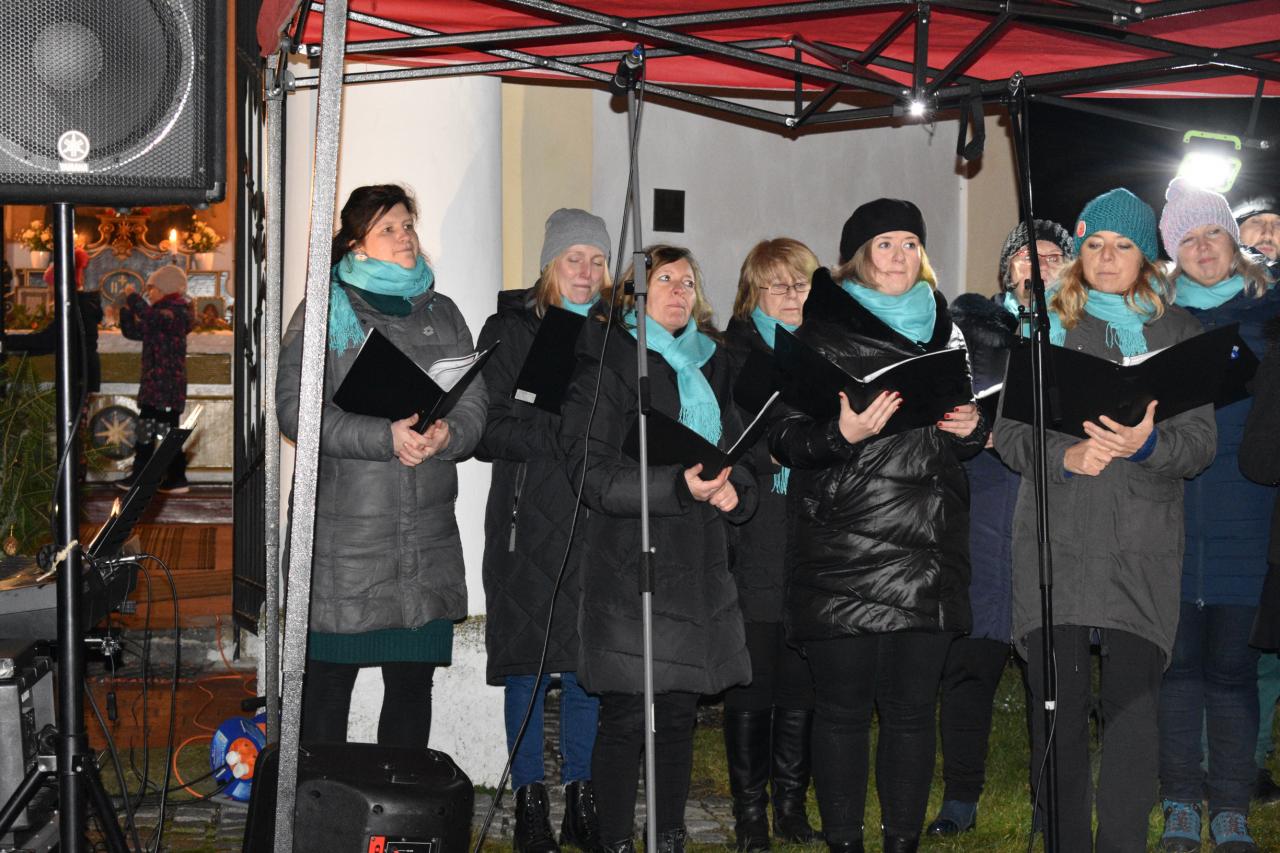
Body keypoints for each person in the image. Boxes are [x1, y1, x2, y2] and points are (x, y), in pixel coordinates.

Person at [993, 187, 1217, 853]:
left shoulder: (1180, 334)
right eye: (1094, 244)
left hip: (1140, 544)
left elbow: (1199, 445)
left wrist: (1148, 445)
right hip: (1058, 539)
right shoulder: (1044, 328)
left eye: (1122, 245)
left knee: (1132, 713)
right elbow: (1011, 436)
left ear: (1145, 256)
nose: (1107, 257)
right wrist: (1066, 456)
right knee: (1057, 712)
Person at [768, 199, 985, 853]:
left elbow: (961, 438)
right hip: (844, 547)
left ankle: (900, 843)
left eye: (910, 243)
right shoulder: (819, 334)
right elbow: (783, 438)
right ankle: (844, 841)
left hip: (927, 548)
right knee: (842, 710)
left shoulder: (948, 334)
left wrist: (972, 429)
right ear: (859, 257)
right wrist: (843, 432)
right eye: (885, 243)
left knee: (912, 712)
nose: (899, 255)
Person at [276, 184, 487, 748]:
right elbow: (296, 410)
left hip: (426, 541)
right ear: (356, 245)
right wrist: (383, 437)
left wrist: (447, 435)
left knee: (412, 688)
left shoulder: (442, 311)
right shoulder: (324, 309)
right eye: (388, 228)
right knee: (327, 692)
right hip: (346, 545)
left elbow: (473, 401)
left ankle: (397, 805)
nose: (404, 236)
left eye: (408, 224)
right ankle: (321, 802)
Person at [560, 245, 755, 853]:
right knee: (626, 716)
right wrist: (674, 485)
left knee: (676, 717)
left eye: (688, 282)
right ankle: (615, 841)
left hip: (697, 565)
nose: (678, 291)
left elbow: (739, 451)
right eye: (664, 279)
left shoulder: (714, 365)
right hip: (630, 562)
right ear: (634, 295)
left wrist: (736, 492)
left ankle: (667, 837)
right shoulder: (608, 361)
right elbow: (589, 471)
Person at [925, 219, 1073, 837]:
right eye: (1026, 256)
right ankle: (960, 798)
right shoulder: (968, 332)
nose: (1039, 266)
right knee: (971, 664)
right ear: (1006, 270)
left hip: (1058, 511)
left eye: (1053, 255)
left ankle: (1052, 799)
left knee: (1052, 674)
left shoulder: (1088, 332)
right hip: (983, 510)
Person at [476, 209, 611, 853]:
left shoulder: (615, 336)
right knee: (528, 667)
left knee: (587, 668)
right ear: (548, 265)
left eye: (597, 261)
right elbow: (486, 429)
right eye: (573, 259)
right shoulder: (510, 330)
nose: (586, 273)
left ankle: (583, 801)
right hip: (526, 521)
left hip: (596, 518)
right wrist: (563, 428)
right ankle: (530, 804)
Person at [1155, 178, 1276, 853]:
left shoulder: (1271, 313)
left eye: (1213, 233)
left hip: (1247, 516)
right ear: (1173, 252)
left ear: (1234, 241)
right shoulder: (1155, 319)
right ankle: (1179, 802)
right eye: (1188, 239)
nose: (1203, 248)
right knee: (1176, 672)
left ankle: (1230, 809)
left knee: (1233, 671)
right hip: (1169, 519)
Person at [721, 238, 821, 851]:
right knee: (755, 677)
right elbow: (726, 437)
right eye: (776, 284)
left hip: (812, 526)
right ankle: (750, 814)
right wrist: (780, 450)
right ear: (752, 292)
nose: (790, 295)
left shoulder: (824, 352)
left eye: (800, 282)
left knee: (801, 677)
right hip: (757, 526)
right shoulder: (732, 354)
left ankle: (791, 807)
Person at [1234, 191, 1280, 806]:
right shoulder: (1212, 299)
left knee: (1267, 639)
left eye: (1276, 226)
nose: (1267, 235)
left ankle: (1251, 757)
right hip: (1223, 479)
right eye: (1255, 225)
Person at [117, 264, 193, 493]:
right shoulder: (160, 314)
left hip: (166, 386)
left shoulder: (177, 312)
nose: (149, 293)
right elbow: (134, 331)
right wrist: (126, 311)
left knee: (160, 430)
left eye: (152, 289)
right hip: (156, 385)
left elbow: (150, 317)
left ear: (165, 289)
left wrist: (132, 297)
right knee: (153, 430)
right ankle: (170, 477)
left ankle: (157, 476)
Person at [6, 246, 103, 399]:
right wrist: (16, 348)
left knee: (74, 413)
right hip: (81, 373)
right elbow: (53, 342)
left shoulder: (73, 306)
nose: (49, 290)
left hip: (77, 374)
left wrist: (7, 342)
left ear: (60, 285)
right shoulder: (81, 303)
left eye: (50, 285)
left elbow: (48, 340)